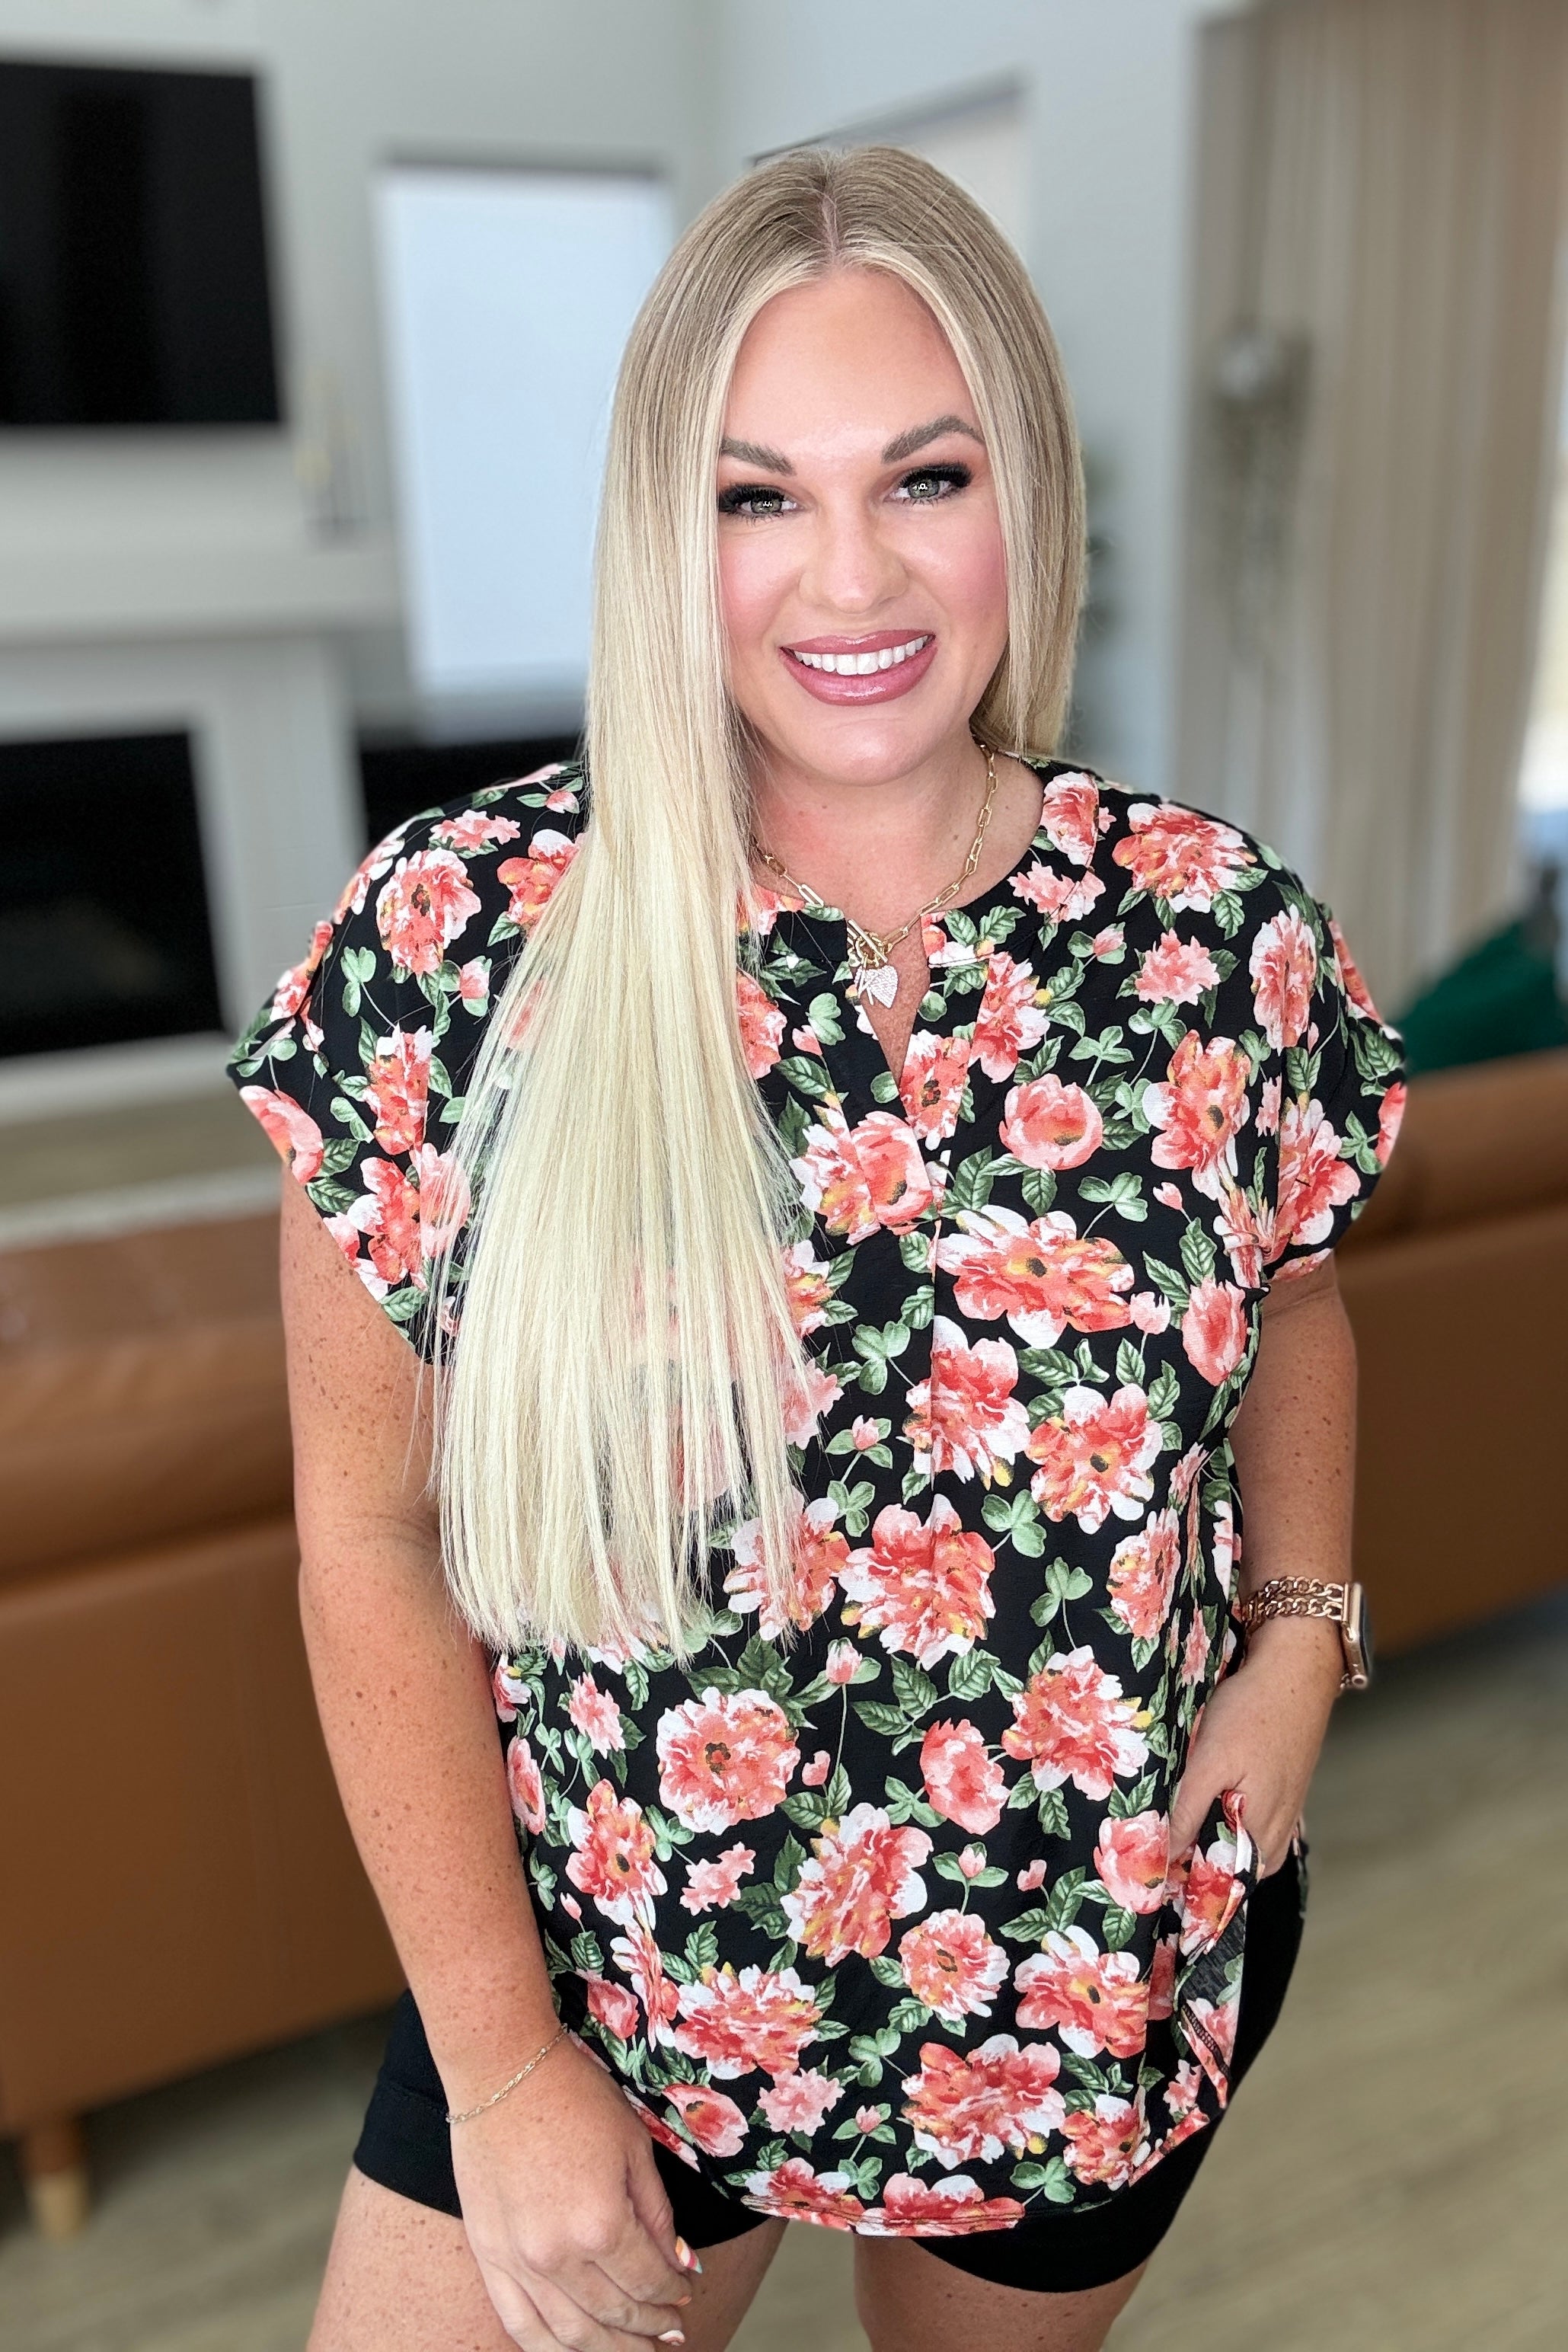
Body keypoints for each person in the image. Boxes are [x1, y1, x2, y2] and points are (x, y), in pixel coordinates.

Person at [230, 146, 1404, 2352]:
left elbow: (1299, 1300)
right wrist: (499, 2065)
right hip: (604, 1985)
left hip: (1080, 1962)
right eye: (754, 495)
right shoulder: (459, 944)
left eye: (922, 477)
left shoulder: (1211, 935)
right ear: (659, 534)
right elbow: (366, 1535)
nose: (848, 575)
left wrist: (1299, 1632)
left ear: (1022, 493)